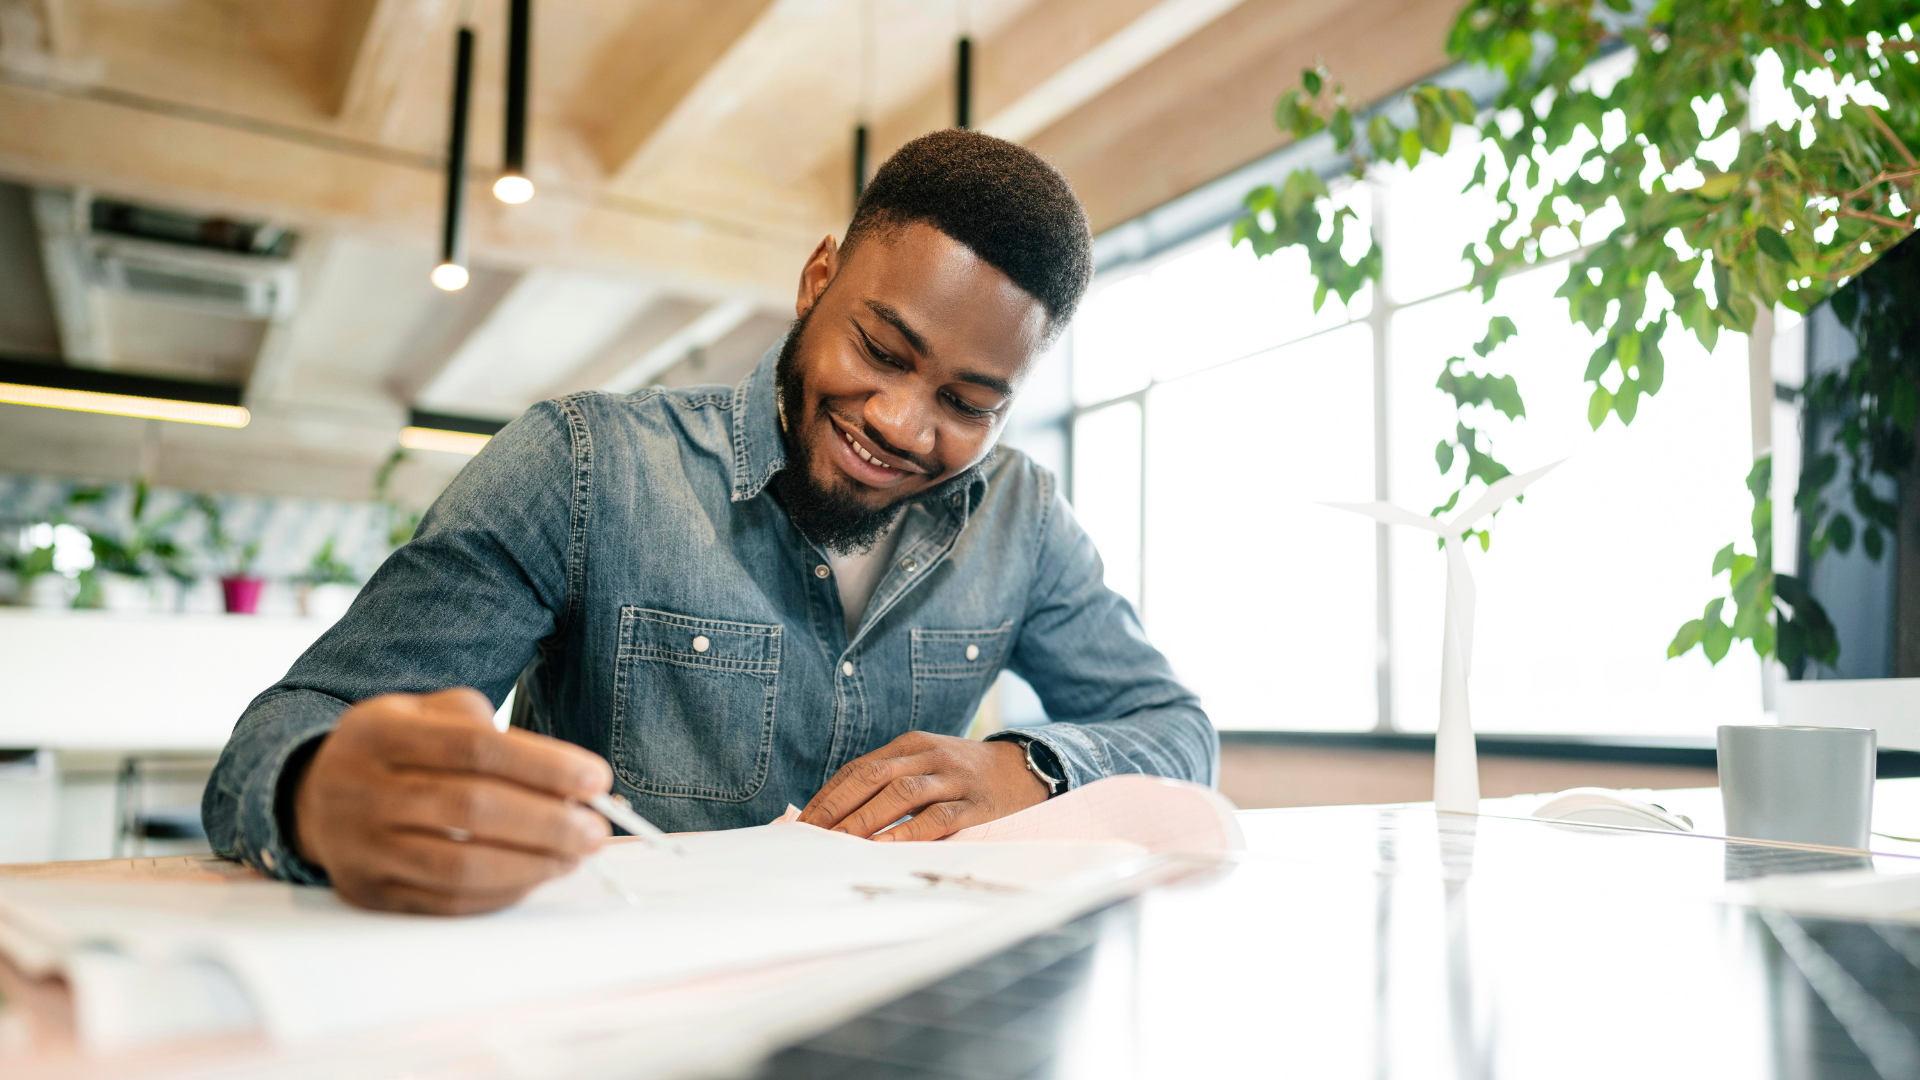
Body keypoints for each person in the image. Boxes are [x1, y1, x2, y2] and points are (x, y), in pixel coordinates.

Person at [203, 130, 1217, 914]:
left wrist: (1021, 769)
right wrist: (319, 797)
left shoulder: (1023, 517)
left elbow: (1178, 733)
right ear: (818, 280)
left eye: (968, 403)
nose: (903, 424)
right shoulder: (583, 468)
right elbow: (280, 737)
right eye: (882, 348)